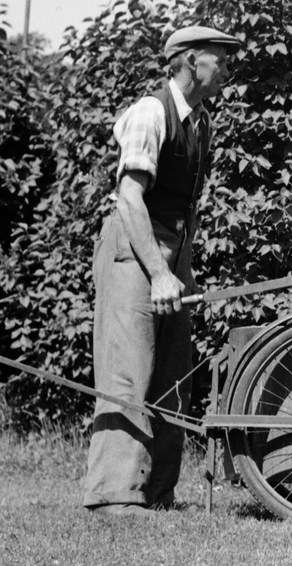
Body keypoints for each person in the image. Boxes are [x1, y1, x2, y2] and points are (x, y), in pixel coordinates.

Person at [82, 25, 242, 518]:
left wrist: (180, 268)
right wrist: (157, 272)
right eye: (222, 57)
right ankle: (113, 493)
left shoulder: (202, 121)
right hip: (135, 245)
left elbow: (183, 205)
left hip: (174, 250)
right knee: (128, 368)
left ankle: (156, 491)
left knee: (174, 372)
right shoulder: (152, 112)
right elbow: (131, 197)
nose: (229, 67)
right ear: (192, 60)